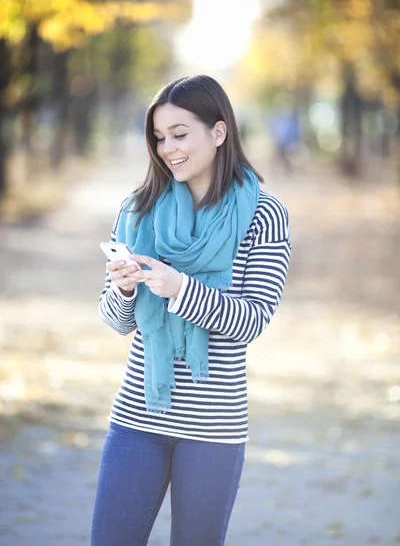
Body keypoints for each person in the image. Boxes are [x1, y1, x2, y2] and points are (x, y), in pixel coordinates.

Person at [91, 75, 291, 546]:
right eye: (160, 138)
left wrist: (181, 289)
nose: (168, 149)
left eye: (180, 134)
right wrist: (122, 292)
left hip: (213, 428)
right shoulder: (138, 209)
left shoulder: (264, 214)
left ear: (219, 132)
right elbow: (116, 321)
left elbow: (251, 321)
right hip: (137, 418)